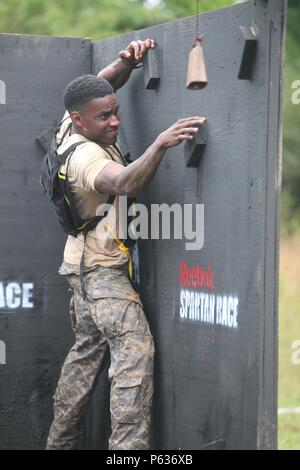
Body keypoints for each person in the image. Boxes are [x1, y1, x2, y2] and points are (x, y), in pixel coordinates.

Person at [46, 38, 205, 450]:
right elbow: (123, 182)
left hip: (79, 272)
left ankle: (57, 445)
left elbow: (99, 83)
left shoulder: (71, 120)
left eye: (115, 111)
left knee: (84, 361)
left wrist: (125, 63)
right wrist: (160, 143)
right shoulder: (84, 160)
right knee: (135, 358)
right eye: (105, 117)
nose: (115, 121)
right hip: (102, 278)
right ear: (80, 121)